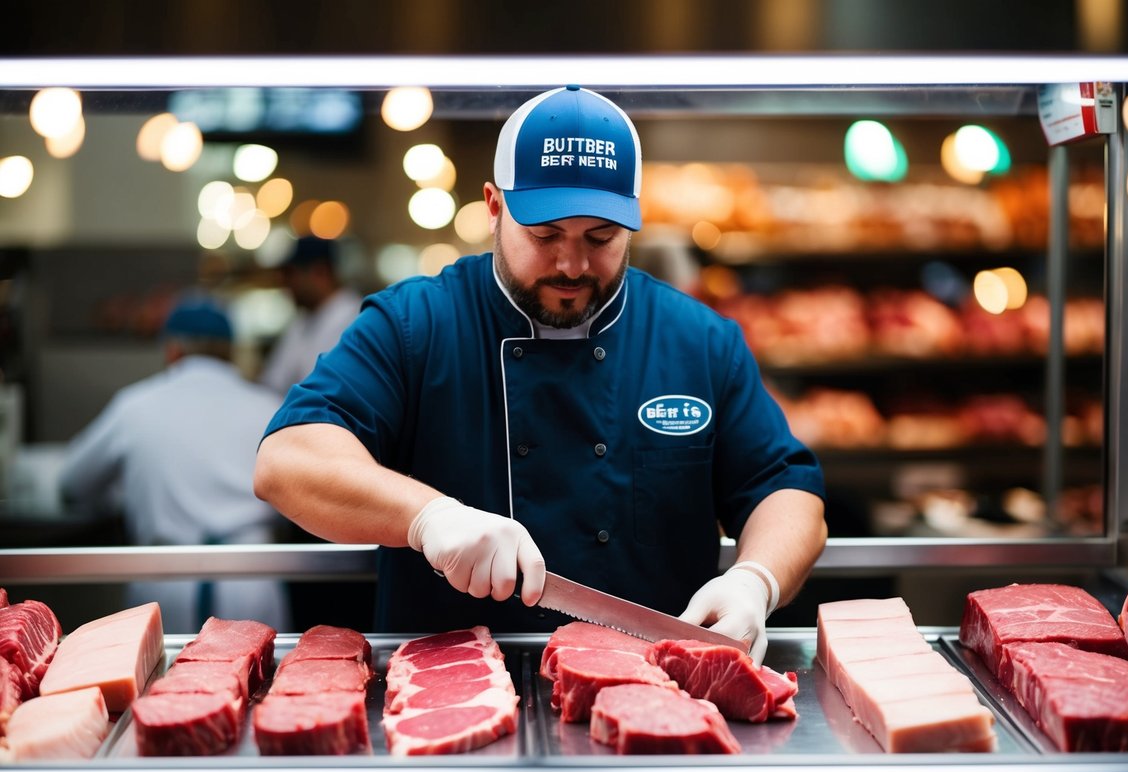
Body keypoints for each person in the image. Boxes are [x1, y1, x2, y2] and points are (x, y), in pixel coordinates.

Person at [254, 85, 827, 663]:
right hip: (452, 698)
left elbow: (786, 490)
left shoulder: (698, 341)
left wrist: (755, 580)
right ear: (494, 208)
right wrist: (428, 517)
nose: (572, 264)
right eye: (545, 235)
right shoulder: (414, 325)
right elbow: (289, 461)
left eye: (600, 238)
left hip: (659, 694)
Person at [60, 297, 291, 632]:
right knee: (260, 681)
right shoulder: (270, 406)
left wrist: (119, 495)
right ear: (230, 351)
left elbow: (72, 485)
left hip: (163, 582)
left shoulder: (136, 405)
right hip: (251, 581)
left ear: (172, 349)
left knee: (159, 682)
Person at [259, 235, 363, 395]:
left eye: (290, 274)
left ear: (320, 272)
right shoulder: (301, 322)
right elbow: (272, 384)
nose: (284, 283)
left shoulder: (358, 319)